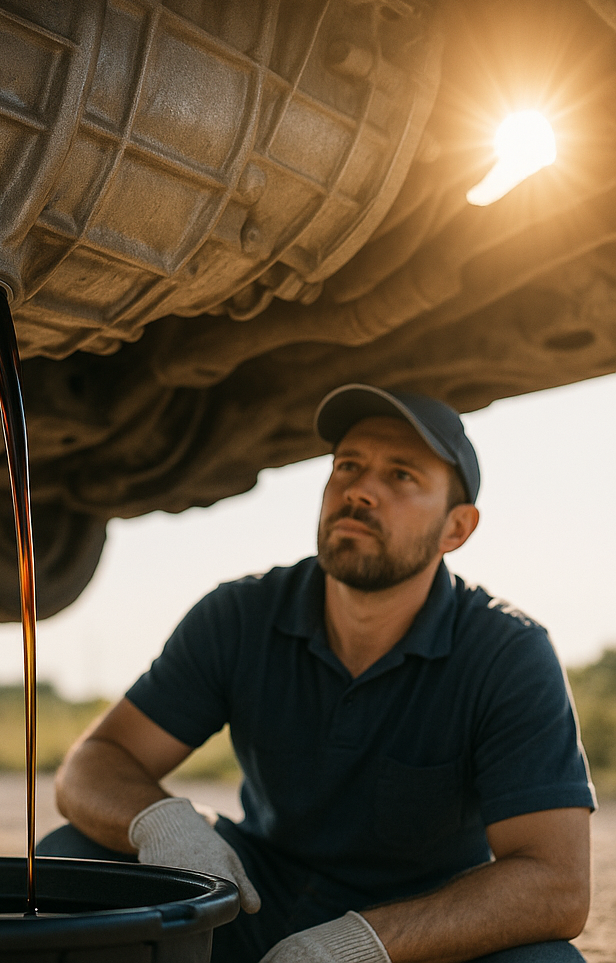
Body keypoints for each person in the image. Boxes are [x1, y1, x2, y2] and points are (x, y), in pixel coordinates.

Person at [39, 383, 596, 963]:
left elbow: (555, 883)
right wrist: (162, 823)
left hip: (416, 934)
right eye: (347, 465)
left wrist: (358, 945)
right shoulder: (242, 615)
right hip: (252, 904)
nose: (360, 490)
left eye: (401, 475)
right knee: (71, 861)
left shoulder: (507, 653)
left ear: (456, 528)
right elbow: (93, 763)